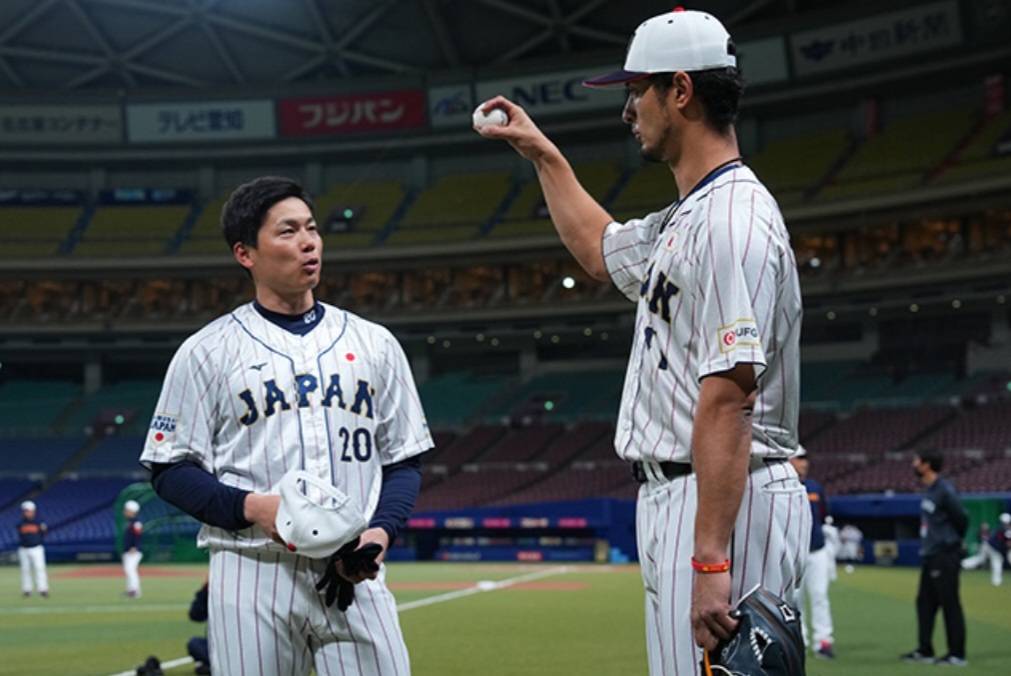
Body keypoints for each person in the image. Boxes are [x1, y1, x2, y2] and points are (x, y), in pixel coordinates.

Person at [475, 9, 807, 674]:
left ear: (678, 92)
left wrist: (711, 558)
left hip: (722, 505)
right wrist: (540, 152)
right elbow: (601, 253)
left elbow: (729, 400)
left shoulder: (731, 223)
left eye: (636, 90)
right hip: (682, 497)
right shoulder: (688, 217)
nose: (629, 108)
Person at [140, 176, 432, 676]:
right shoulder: (206, 352)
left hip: (354, 574)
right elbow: (169, 469)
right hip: (251, 572)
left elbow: (403, 460)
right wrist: (253, 507)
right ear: (245, 253)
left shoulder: (375, 343)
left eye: (312, 229)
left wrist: (379, 535)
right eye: (288, 231)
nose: (308, 242)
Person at [901, 450, 969, 666]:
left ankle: (956, 654)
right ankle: (925, 650)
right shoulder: (930, 491)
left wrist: (950, 542)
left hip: (945, 555)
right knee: (925, 603)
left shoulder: (944, 490)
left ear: (926, 465)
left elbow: (962, 518)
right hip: (931, 555)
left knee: (950, 604)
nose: (913, 464)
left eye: (917, 460)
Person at [790, 447, 835, 659]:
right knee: (794, 601)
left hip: (817, 551)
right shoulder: (785, 486)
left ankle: (823, 640)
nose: (804, 463)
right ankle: (799, 639)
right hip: (794, 552)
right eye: (799, 458)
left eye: (805, 459)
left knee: (819, 596)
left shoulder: (815, 487)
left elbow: (825, 515)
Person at [961, 513, 1010, 586]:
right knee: (997, 561)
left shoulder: (1000, 528)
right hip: (993, 547)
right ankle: (996, 582)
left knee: (980, 558)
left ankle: (962, 564)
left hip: (987, 545)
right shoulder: (1005, 529)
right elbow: (1007, 543)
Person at [16, 500, 49, 598]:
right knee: (25, 570)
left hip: (37, 548)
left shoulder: (39, 522)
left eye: (29, 510)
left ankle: (43, 589)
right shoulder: (20, 523)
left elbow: (44, 533)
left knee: (39, 568)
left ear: (33, 511)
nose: (27, 512)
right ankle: (27, 590)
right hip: (24, 549)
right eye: (25, 511)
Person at [187, 582, 210, 675]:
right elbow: (195, 615)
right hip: (215, 646)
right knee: (194, 643)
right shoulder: (213, 592)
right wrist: (205, 590)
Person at [122, 499, 143, 598]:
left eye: (126, 510)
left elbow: (138, 536)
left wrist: (135, 547)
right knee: (128, 570)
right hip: (128, 550)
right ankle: (131, 589)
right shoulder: (130, 522)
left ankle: (135, 590)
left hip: (133, 551)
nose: (125, 512)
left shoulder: (136, 523)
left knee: (130, 569)